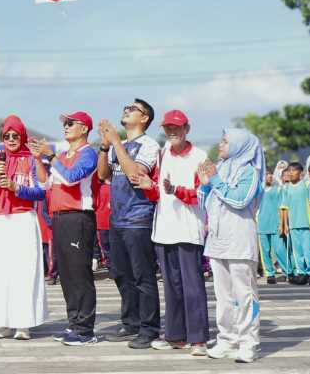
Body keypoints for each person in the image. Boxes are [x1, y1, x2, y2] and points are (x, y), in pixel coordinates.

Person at [138, 110, 209, 357]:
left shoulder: (201, 157)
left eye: (176, 127)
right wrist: (149, 187)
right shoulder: (161, 153)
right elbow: (157, 191)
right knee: (171, 286)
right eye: (168, 128)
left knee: (193, 286)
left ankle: (198, 338)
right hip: (164, 228)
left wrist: (176, 189)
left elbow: (202, 195)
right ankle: (175, 335)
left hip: (189, 229)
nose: (172, 132)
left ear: (187, 128)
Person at [96, 100, 162, 349]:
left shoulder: (150, 145)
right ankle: (131, 322)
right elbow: (103, 175)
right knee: (121, 274)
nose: (126, 109)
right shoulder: (119, 146)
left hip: (138, 218)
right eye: (125, 106)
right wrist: (104, 147)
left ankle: (149, 328)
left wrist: (114, 142)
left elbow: (135, 174)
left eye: (133, 108)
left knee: (143, 276)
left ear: (144, 118)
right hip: (117, 218)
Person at [197, 127, 265, 363]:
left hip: (239, 239)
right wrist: (205, 185)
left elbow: (240, 200)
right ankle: (227, 339)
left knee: (244, 294)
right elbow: (207, 203)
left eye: (225, 141)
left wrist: (214, 180)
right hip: (217, 240)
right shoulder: (221, 168)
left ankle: (248, 342)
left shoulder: (250, 171)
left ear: (239, 146)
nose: (221, 145)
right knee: (223, 295)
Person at [0, 115, 48, 340]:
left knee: (23, 273)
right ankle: (0, 323)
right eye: (6, 135)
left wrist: (18, 188)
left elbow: (41, 191)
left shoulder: (31, 159)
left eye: (15, 135)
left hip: (22, 220)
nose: (10, 139)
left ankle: (22, 324)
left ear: (22, 137)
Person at [37, 111, 100, 347]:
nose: (66, 126)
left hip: (78, 217)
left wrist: (51, 157)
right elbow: (46, 184)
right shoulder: (63, 155)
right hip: (60, 217)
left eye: (71, 123)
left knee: (79, 274)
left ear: (84, 129)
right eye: (64, 123)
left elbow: (72, 178)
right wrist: (38, 158)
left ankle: (85, 330)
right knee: (66, 274)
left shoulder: (88, 154)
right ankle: (74, 323)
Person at [281, 162, 310, 285]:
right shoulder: (286, 187)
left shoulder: (307, 185)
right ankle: (301, 273)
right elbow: (284, 207)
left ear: (300, 172)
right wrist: (285, 224)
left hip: (306, 224)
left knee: (308, 250)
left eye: (293, 170)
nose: (290, 173)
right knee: (297, 251)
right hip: (293, 224)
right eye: (289, 170)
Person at [257, 169, 289, 284]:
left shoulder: (278, 189)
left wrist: (282, 223)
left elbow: (282, 206)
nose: (269, 176)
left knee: (280, 249)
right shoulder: (257, 191)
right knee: (265, 251)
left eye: (270, 174)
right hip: (261, 224)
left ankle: (288, 272)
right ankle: (269, 273)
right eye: (266, 174)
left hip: (276, 224)